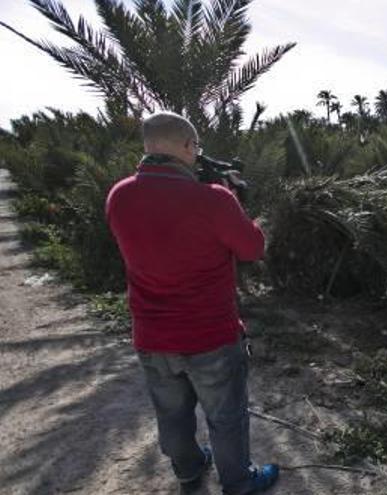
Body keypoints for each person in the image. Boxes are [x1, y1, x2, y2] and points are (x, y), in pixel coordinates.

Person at [105, 111, 279, 494]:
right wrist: (232, 198)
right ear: (186, 146)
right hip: (210, 336)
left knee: (171, 414)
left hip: (152, 337)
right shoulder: (214, 200)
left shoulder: (119, 195)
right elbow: (252, 248)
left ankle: (188, 469)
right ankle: (238, 483)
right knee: (226, 418)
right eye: (196, 147)